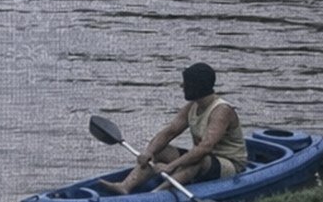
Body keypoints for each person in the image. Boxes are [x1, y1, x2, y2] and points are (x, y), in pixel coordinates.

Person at [99, 62, 247, 195]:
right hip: (205, 159)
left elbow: (205, 148)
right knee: (161, 150)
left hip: (229, 164)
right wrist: (149, 152)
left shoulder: (221, 111)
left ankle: (158, 194)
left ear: (198, 86)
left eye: (186, 83)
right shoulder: (192, 106)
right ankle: (125, 186)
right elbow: (169, 132)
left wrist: (170, 167)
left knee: (198, 159)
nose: (182, 86)